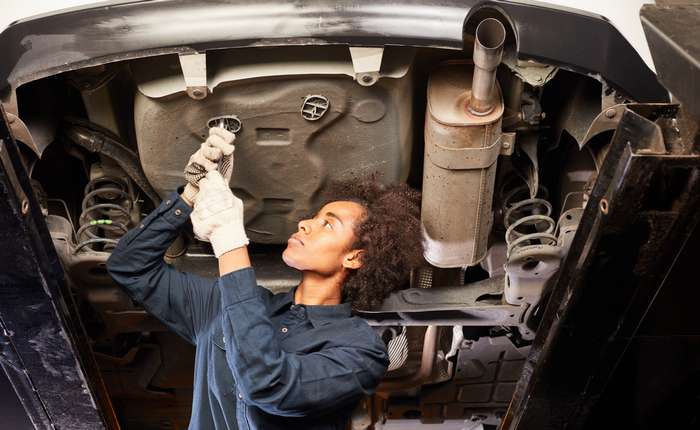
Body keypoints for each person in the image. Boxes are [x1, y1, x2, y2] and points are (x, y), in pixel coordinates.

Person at [106, 128, 424, 429]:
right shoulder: (224, 303)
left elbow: (269, 386)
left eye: (328, 224)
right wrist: (191, 191)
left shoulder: (360, 350)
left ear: (355, 257)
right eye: (312, 217)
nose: (304, 224)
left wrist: (229, 239)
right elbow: (129, 266)